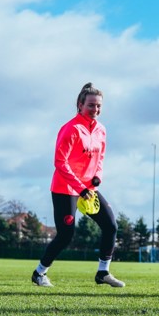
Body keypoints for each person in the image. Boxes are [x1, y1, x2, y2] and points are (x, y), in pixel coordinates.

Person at [31, 83, 125, 288]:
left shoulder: (101, 130)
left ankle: (103, 272)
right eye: (91, 105)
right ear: (80, 104)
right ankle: (39, 273)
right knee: (66, 236)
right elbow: (60, 162)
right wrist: (79, 188)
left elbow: (100, 159)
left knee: (111, 226)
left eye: (99, 106)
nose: (96, 110)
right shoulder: (71, 129)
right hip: (65, 188)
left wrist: (96, 178)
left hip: (89, 189)